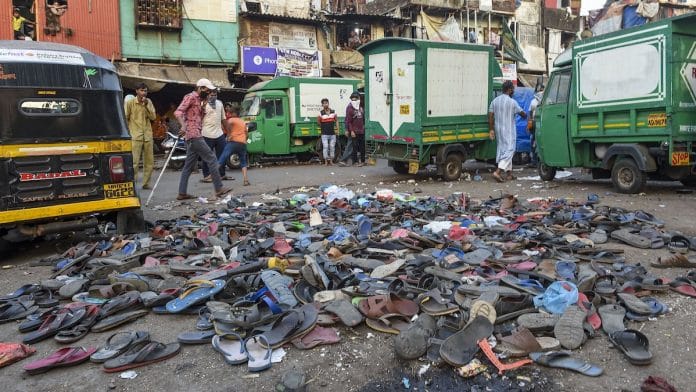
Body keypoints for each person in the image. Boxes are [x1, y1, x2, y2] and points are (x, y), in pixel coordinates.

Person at [174, 78, 231, 200]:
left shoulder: (201, 100)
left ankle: (182, 193)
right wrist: (183, 125)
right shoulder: (190, 97)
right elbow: (178, 112)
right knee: (211, 158)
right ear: (200, 88)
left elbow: (199, 117)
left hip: (194, 134)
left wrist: (204, 107)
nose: (209, 92)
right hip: (194, 134)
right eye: (207, 89)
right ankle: (219, 188)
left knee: (188, 166)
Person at [489, 80, 527, 182]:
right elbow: (523, 114)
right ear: (509, 90)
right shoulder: (512, 102)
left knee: (503, 150)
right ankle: (497, 172)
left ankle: (509, 174)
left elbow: (491, 116)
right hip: (509, 131)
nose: (513, 91)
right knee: (510, 150)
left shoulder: (495, 101)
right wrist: (525, 114)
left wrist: (491, 129)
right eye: (513, 89)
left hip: (499, 130)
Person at [124, 83, 156, 189]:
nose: (144, 93)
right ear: (136, 91)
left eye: (145, 91)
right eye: (142, 90)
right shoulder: (130, 103)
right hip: (135, 135)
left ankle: (146, 183)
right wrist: (128, 132)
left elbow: (153, 117)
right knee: (134, 162)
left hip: (147, 135)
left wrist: (146, 105)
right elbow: (125, 117)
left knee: (149, 162)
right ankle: (133, 184)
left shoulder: (149, 102)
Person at [200, 89, 230, 182]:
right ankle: (206, 175)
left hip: (219, 133)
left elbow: (223, 119)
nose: (213, 96)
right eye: (211, 94)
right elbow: (198, 118)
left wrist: (229, 132)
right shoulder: (202, 104)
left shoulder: (220, 104)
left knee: (223, 155)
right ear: (208, 95)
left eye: (215, 94)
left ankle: (222, 174)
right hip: (206, 133)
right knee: (206, 156)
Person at [219, 103, 250, 186]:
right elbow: (247, 134)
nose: (229, 114)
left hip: (233, 142)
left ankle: (212, 176)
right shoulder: (242, 121)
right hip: (242, 143)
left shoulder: (231, 120)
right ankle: (245, 180)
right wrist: (245, 140)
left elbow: (224, 129)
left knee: (222, 158)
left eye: (230, 113)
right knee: (243, 162)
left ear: (234, 113)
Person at [346, 91, 366, 167]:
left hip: (361, 131)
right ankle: (355, 161)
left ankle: (363, 161)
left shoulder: (361, 108)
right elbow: (349, 121)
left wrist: (363, 126)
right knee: (354, 148)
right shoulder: (350, 108)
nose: (354, 101)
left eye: (355, 99)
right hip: (354, 131)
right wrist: (351, 131)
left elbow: (363, 119)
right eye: (352, 99)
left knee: (362, 147)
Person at [527, 85, 544, 167]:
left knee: (538, 141)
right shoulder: (533, 101)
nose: (541, 92)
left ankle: (540, 160)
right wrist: (530, 122)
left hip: (542, 123)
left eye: (542, 90)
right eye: (540, 90)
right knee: (533, 141)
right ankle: (534, 161)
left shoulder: (546, 100)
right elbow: (530, 113)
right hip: (535, 123)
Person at [317, 98, 338, 166]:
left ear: (328, 103)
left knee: (332, 147)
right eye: (324, 103)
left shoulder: (333, 112)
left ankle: (331, 161)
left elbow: (336, 120)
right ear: (322, 105)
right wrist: (324, 127)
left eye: (326, 103)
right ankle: (326, 162)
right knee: (325, 147)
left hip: (332, 134)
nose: (325, 104)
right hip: (324, 134)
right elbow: (318, 122)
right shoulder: (320, 113)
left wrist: (337, 129)